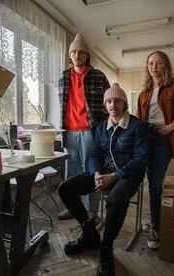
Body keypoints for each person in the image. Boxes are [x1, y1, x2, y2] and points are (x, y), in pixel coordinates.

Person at [58, 83, 148, 276]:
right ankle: (90, 233)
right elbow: (95, 155)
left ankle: (106, 247)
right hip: (103, 172)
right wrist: (97, 174)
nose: (112, 104)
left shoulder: (137, 126)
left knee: (115, 201)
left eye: (117, 100)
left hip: (128, 175)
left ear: (124, 104)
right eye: (108, 101)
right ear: (105, 105)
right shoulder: (101, 127)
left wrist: (115, 176)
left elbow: (141, 160)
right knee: (65, 188)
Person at [136, 51, 174, 249]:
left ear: (165, 65)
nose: (154, 66)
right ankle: (155, 220)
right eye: (151, 63)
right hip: (145, 137)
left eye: (158, 63)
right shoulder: (145, 91)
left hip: (163, 137)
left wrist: (171, 126)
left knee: (154, 184)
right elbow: (138, 117)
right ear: (147, 66)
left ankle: (156, 228)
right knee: (147, 180)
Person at [57, 33, 110, 221]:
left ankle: (92, 211)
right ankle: (73, 208)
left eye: (81, 52)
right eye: (74, 52)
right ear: (70, 55)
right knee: (71, 172)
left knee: (90, 172)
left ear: (87, 55)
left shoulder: (98, 76)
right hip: (69, 131)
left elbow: (108, 106)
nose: (77, 55)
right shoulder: (63, 77)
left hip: (91, 131)